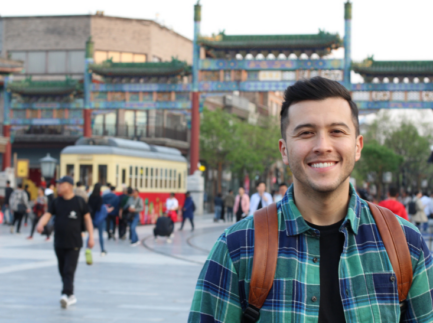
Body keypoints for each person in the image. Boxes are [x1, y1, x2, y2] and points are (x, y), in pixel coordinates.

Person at [188, 77, 433, 322]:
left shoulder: (406, 245)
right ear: (284, 150)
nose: (322, 146)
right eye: (306, 133)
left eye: (337, 131)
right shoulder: (237, 247)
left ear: (358, 146)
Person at [36, 175, 94, 309]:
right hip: (59, 242)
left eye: (60, 184)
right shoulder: (56, 202)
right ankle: (71, 294)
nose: (58, 186)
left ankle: (66, 294)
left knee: (69, 269)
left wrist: (91, 237)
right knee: (62, 269)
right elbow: (47, 215)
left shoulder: (79, 202)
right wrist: (40, 224)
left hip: (74, 243)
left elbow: (88, 220)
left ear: (68, 186)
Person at [88, 183, 108, 256]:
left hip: (91, 218)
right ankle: (102, 250)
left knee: (90, 234)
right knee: (100, 235)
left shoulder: (90, 197)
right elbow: (100, 208)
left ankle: (88, 248)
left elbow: (88, 207)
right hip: (99, 219)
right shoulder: (100, 198)